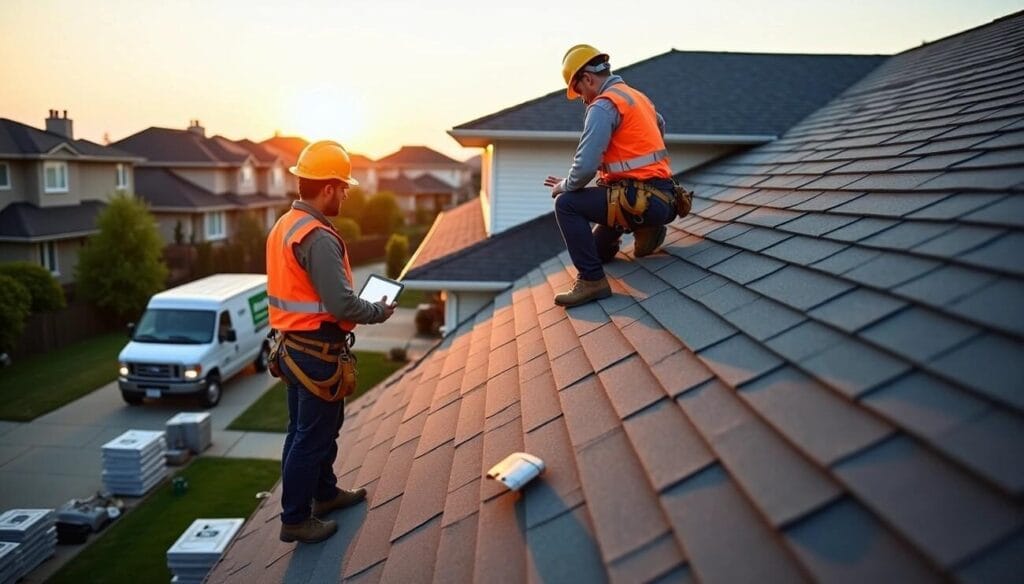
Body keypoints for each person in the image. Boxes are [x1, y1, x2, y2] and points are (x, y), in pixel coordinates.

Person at [266, 140, 397, 544]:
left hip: (294, 348)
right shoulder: (317, 235)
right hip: (315, 353)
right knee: (313, 436)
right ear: (327, 188)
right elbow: (341, 304)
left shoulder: (286, 224)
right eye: (343, 187)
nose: (345, 194)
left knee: (305, 432)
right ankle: (295, 519)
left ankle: (322, 495)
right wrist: (377, 311)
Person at [545, 44, 683, 308]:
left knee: (566, 204)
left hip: (639, 198)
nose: (583, 99)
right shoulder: (636, 97)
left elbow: (585, 168)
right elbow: (660, 124)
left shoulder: (603, 106)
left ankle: (592, 281)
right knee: (595, 252)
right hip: (665, 197)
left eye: (580, 91)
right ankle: (648, 228)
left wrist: (564, 185)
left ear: (587, 78)